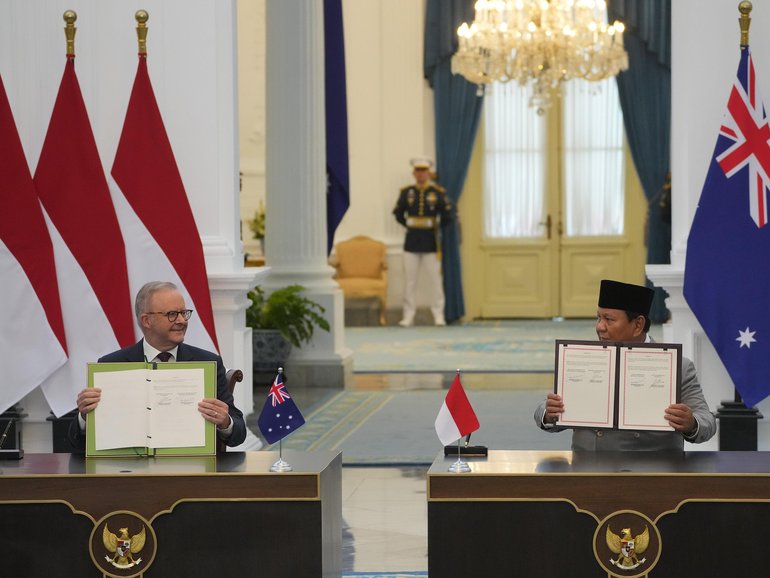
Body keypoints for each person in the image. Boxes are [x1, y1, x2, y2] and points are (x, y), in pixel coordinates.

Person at [534, 279, 716, 451]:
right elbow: (543, 410)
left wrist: (691, 423)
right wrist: (550, 413)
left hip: (651, 472)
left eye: (609, 319)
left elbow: (707, 421)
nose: (600, 326)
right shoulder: (583, 359)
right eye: (598, 318)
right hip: (588, 471)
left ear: (638, 325)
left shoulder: (676, 366)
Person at [69, 281, 247, 451]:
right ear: (146, 320)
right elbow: (75, 442)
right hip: (129, 470)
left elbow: (238, 433)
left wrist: (225, 422)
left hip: (190, 468)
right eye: (172, 314)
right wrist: (85, 415)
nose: (182, 321)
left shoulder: (208, 363)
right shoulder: (111, 365)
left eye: (184, 313)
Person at [392, 157, 453, 326]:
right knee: (410, 281)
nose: (421, 174)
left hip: (431, 242)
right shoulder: (407, 192)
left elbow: (447, 216)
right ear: (413, 173)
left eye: (424, 171)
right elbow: (398, 213)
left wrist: (436, 228)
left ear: (428, 173)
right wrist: (409, 225)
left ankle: (438, 314)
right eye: (418, 171)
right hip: (411, 241)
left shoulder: (437, 193)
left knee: (435, 280)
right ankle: (408, 315)